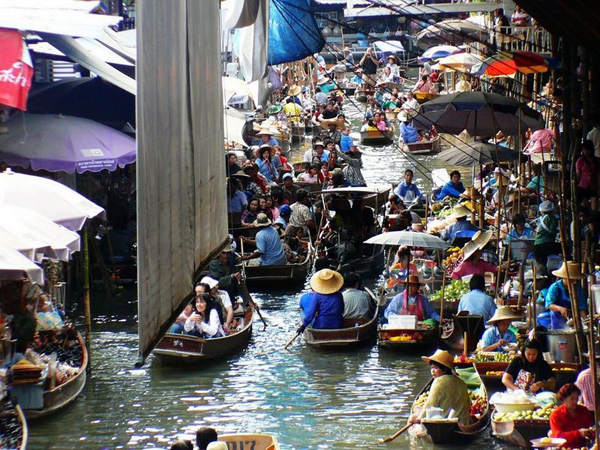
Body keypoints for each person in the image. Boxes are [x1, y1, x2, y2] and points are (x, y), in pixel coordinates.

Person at [409, 350, 472, 425]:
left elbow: (430, 404)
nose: (432, 371)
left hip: (446, 424)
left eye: (435, 368)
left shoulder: (439, 381)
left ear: (444, 369)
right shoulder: (462, 382)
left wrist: (419, 418)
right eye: (431, 368)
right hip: (465, 423)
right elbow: (469, 404)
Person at [545, 261, 588, 330]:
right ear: (564, 277)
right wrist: (561, 309)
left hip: (573, 317)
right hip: (558, 316)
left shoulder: (578, 288)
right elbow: (549, 304)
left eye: (574, 279)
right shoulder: (555, 287)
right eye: (570, 279)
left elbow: (581, 307)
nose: (572, 281)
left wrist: (586, 320)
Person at [549, 384, 594, 449]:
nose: (575, 401)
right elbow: (557, 436)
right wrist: (579, 433)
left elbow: (590, 429)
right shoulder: (556, 415)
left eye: (577, 398)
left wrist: (591, 433)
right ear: (564, 399)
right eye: (572, 399)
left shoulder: (584, 411)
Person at [533, 200, 560, 271]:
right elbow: (552, 232)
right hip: (546, 245)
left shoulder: (539, 219)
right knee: (565, 249)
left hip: (537, 247)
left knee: (542, 268)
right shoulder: (551, 218)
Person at [576, 140, 600, 210]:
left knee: (594, 210)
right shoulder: (580, 161)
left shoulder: (597, 161)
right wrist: (576, 187)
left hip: (594, 187)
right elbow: (578, 175)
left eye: (587, 150)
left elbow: (598, 175)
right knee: (584, 210)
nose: (585, 152)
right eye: (584, 150)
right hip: (583, 187)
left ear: (591, 150)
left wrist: (599, 188)